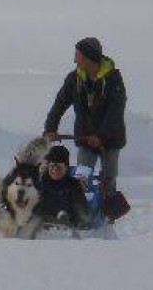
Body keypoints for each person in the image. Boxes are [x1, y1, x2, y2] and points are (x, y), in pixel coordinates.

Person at [43, 37, 127, 195]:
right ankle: (83, 207)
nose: (74, 60)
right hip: (85, 138)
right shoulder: (74, 79)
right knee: (82, 179)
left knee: (108, 180)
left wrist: (101, 136)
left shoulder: (113, 80)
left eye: (78, 55)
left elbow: (115, 113)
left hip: (110, 139)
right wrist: (50, 128)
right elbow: (59, 104)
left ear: (89, 57)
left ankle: (107, 207)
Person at [36, 145, 91, 228]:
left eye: (59, 167)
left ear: (66, 168)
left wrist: (82, 221)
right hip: (44, 226)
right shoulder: (41, 184)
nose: (55, 170)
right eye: (52, 166)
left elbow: (81, 209)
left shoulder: (73, 185)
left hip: (68, 226)